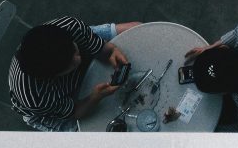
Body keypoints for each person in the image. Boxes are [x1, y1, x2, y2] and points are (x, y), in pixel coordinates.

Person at [8, 16, 141, 132]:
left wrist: (111, 51)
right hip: (50, 108)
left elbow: (104, 50)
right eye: (70, 64)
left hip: (74, 38)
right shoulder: (36, 98)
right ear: (53, 76)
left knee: (136, 28)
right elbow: (76, 111)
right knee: (95, 138)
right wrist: (96, 96)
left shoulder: (69, 26)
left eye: (74, 51)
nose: (78, 59)